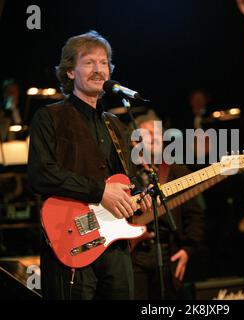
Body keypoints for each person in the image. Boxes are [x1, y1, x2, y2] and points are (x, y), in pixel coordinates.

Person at [27, 30, 152, 300]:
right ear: (70, 72)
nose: (99, 69)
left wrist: (139, 195)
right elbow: (41, 174)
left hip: (115, 245)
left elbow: (125, 181)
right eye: (89, 62)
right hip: (70, 240)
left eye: (104, 62)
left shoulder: (115, 124)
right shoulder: (49, 117)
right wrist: (99, 192)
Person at [131, 111, 204, 299]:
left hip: (167, 253)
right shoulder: (126, 173)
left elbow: (195, 215)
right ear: (134, 142)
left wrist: (188, 250)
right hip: (132, 255)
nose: (154, 138)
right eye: (147, 134)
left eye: (157, 134)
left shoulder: (177, 171)